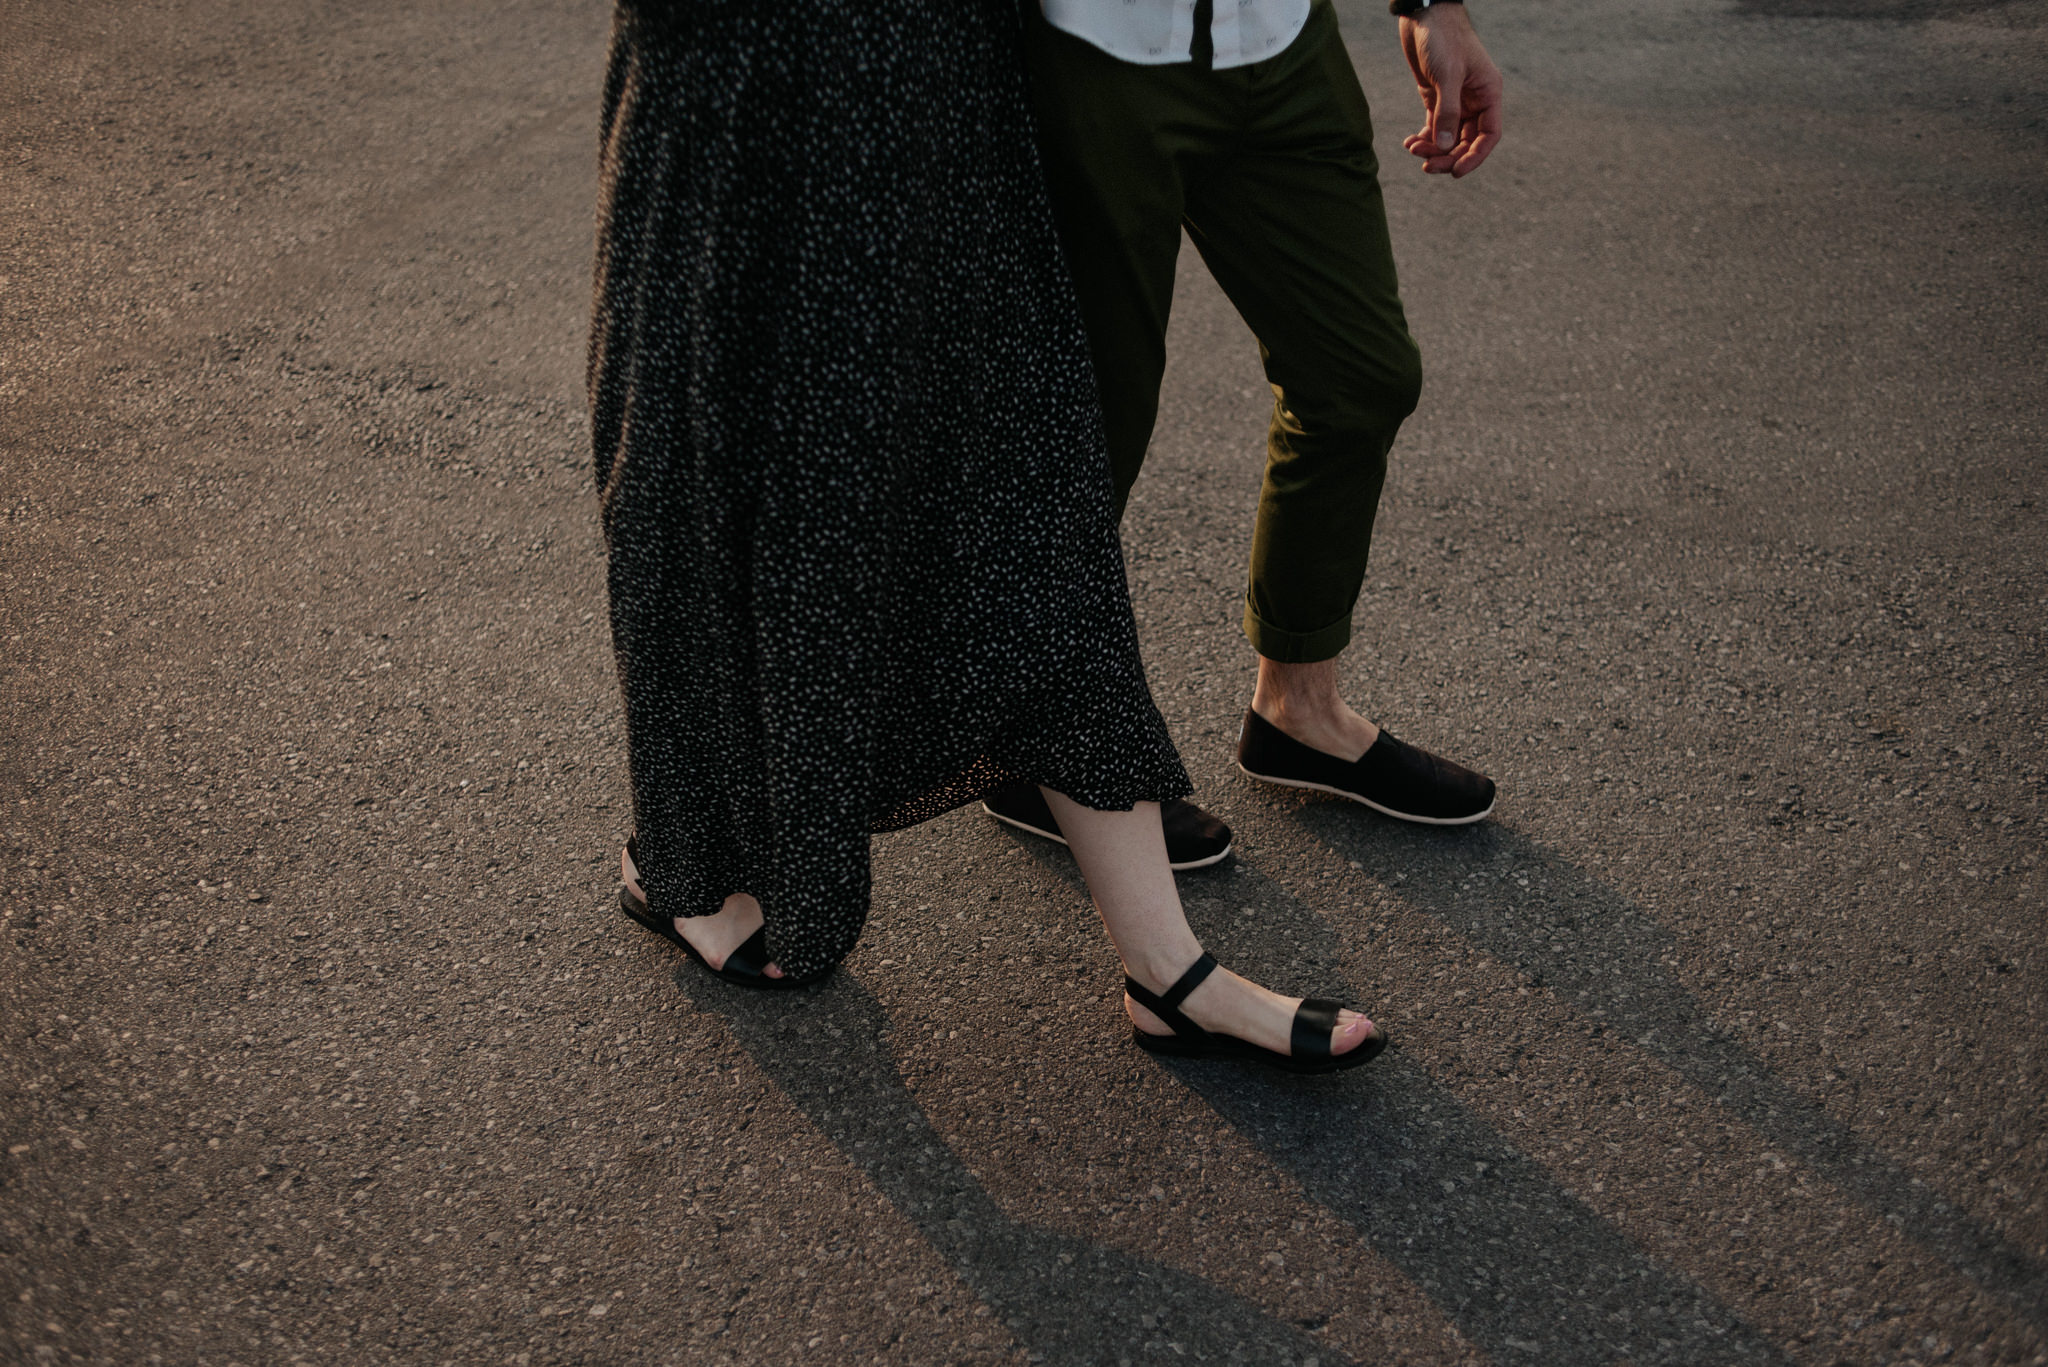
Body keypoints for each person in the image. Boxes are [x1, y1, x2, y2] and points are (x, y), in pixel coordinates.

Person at [589, 0, 1387, 1072]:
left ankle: (1166, 965)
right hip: (759, 87)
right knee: (741, 484)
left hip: (948, 85)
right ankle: (688, 855)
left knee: (1035, 500)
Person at [980, 0, 1504, 865]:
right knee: (1092, 418)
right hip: (1092, 55)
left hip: (1282, 42)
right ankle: (1035, 749)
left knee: (1359, 377)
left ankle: (1299, 709)